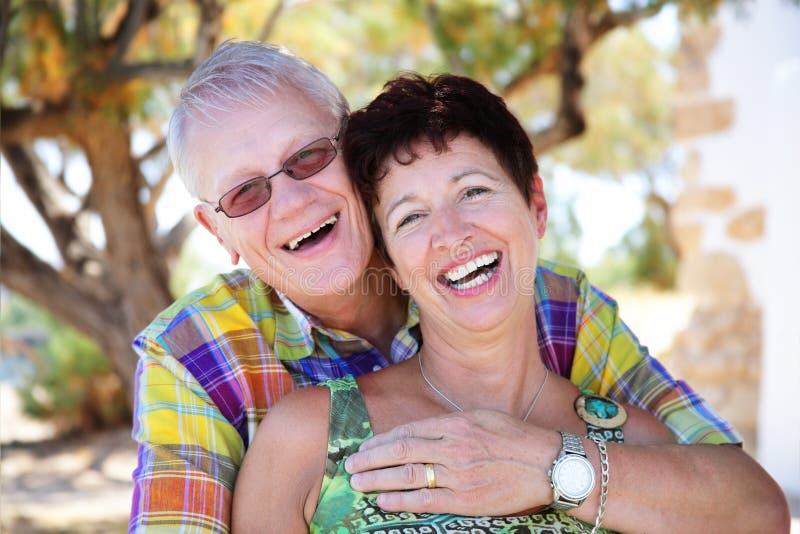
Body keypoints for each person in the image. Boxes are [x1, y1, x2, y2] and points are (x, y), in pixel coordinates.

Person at [130, 42, 788, 532]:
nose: (295, 200)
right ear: (217, 231)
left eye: (308, 156)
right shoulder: (197, 358)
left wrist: (547, 465)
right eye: (246, 192)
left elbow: (743, 501)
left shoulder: (552, 303)